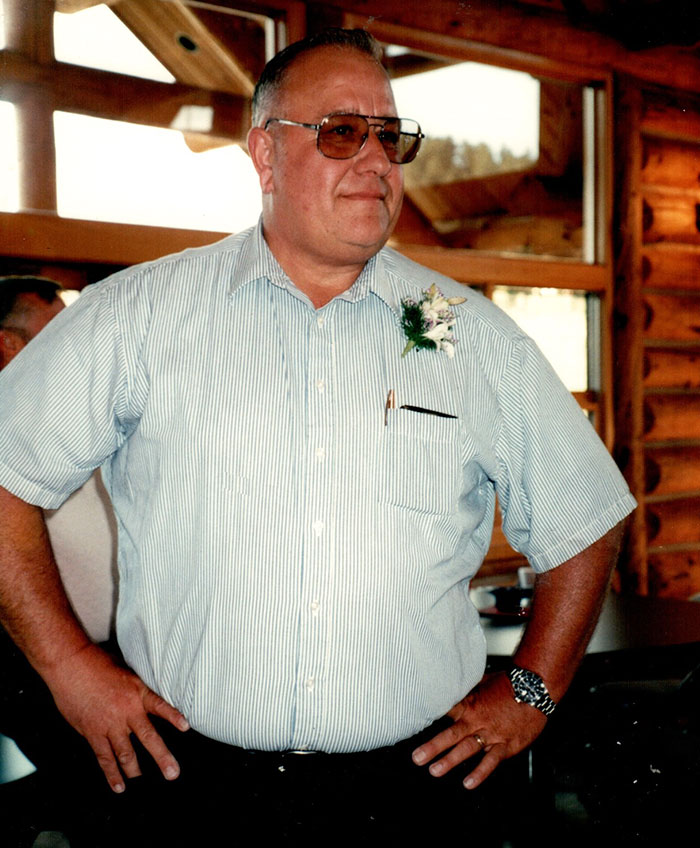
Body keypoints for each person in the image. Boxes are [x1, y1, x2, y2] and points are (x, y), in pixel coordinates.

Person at [0, 29, 635, 845]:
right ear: (265, 155)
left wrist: (533, 691)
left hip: (419, 794)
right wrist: (68, 667)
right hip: (192, 790)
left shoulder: (469, 337)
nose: (376, 161)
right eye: (341, 132)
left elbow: (585, 515)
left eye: (390, 136)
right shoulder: (139, 318)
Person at [0, 276, 118, 846]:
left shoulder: (71, 409)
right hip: (35, 656)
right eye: (54, 333)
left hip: (107, 649)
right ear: (8, 345)